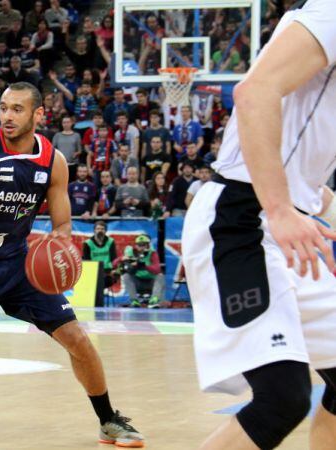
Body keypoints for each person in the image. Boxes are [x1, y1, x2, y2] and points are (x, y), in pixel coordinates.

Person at [0, 82, 143, 447]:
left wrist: (61, 241)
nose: (7, 116)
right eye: (3, 108)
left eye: (17, 109)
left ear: (38, 114)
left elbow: (62, 223)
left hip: (17, 264)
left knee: (79, 339)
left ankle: (108, 419)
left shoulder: (53, 161)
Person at [183, 2, 336, 448]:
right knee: (282, 398)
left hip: (289, 227)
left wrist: (298, 209)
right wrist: (282, 208)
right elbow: (254, 92)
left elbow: (306, 174)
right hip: (242, 219)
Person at [113, 234, 165, 308]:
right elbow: (114, 264)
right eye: (140, 245)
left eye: (144, 245)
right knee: (126, 276)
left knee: (160, 276)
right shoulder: (130, 253)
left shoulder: (152, 253)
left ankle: (154, 300)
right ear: (136, 246)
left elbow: (157, 269)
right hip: (137, 282)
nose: (142, 247)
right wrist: (121, 259)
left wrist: (144, 266)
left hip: (150, 282)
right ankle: (134, 300)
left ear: (148, 246)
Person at [82, 220, 117, 291]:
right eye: (98, 229)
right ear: (94, 230)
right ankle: (96, 300)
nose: (100, 231)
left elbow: (114, 258)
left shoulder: (111, 241)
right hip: (93, 271)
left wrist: (113, 270)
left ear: (105, 231)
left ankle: (98, 300)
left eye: (102, 229)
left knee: (104, 281)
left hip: (107, 272)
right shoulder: (87, 243)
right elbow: (86, 260)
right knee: (92, 281)